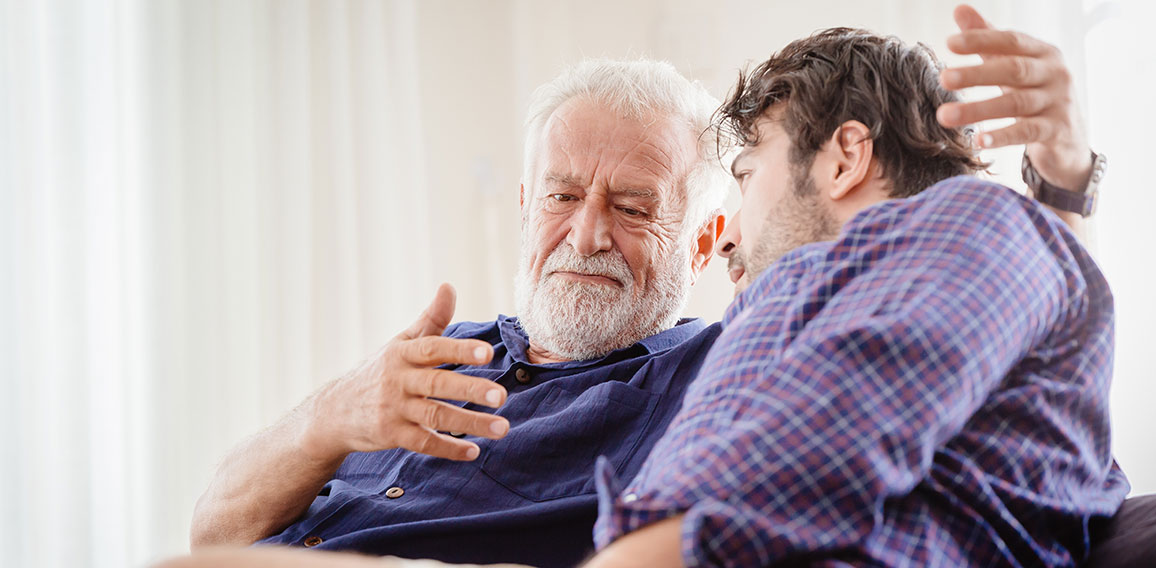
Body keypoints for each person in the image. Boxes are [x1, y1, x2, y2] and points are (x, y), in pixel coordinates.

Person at [182, 6, 1105, 568]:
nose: (585, 232)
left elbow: (983, 305)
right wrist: (329, 419)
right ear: (522, 203)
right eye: (560, 195)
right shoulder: (436, 349)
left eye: (630, 204)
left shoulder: (726, 353)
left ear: (705, 239)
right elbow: (213, 526)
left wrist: (1059, 182)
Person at [587, 9, 1126, 568]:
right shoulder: (883, 292)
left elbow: (801, 465)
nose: (727, 239)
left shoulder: (977, 224)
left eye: (746, 175)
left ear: (846, 158)